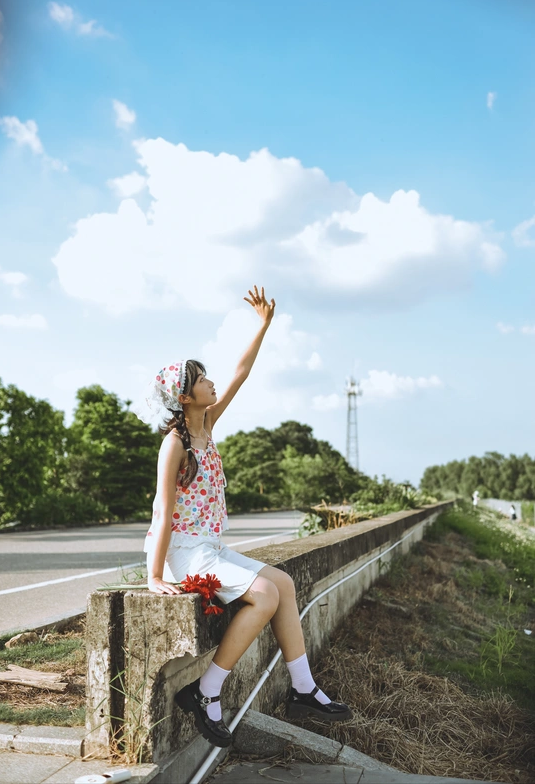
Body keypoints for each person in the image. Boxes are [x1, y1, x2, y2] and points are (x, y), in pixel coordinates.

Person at [136, 286, 352, 748]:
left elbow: (241, 372)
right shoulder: (175, 444)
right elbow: (163, 508)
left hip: (208, 547)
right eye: (202, 380)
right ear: (185, 395)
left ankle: (303, 688)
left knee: (286, 585)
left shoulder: (206, 427)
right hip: (183, 552)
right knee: (265, 594)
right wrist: (154, 575)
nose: (212, 384)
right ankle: (205, 692)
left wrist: (262, 325)